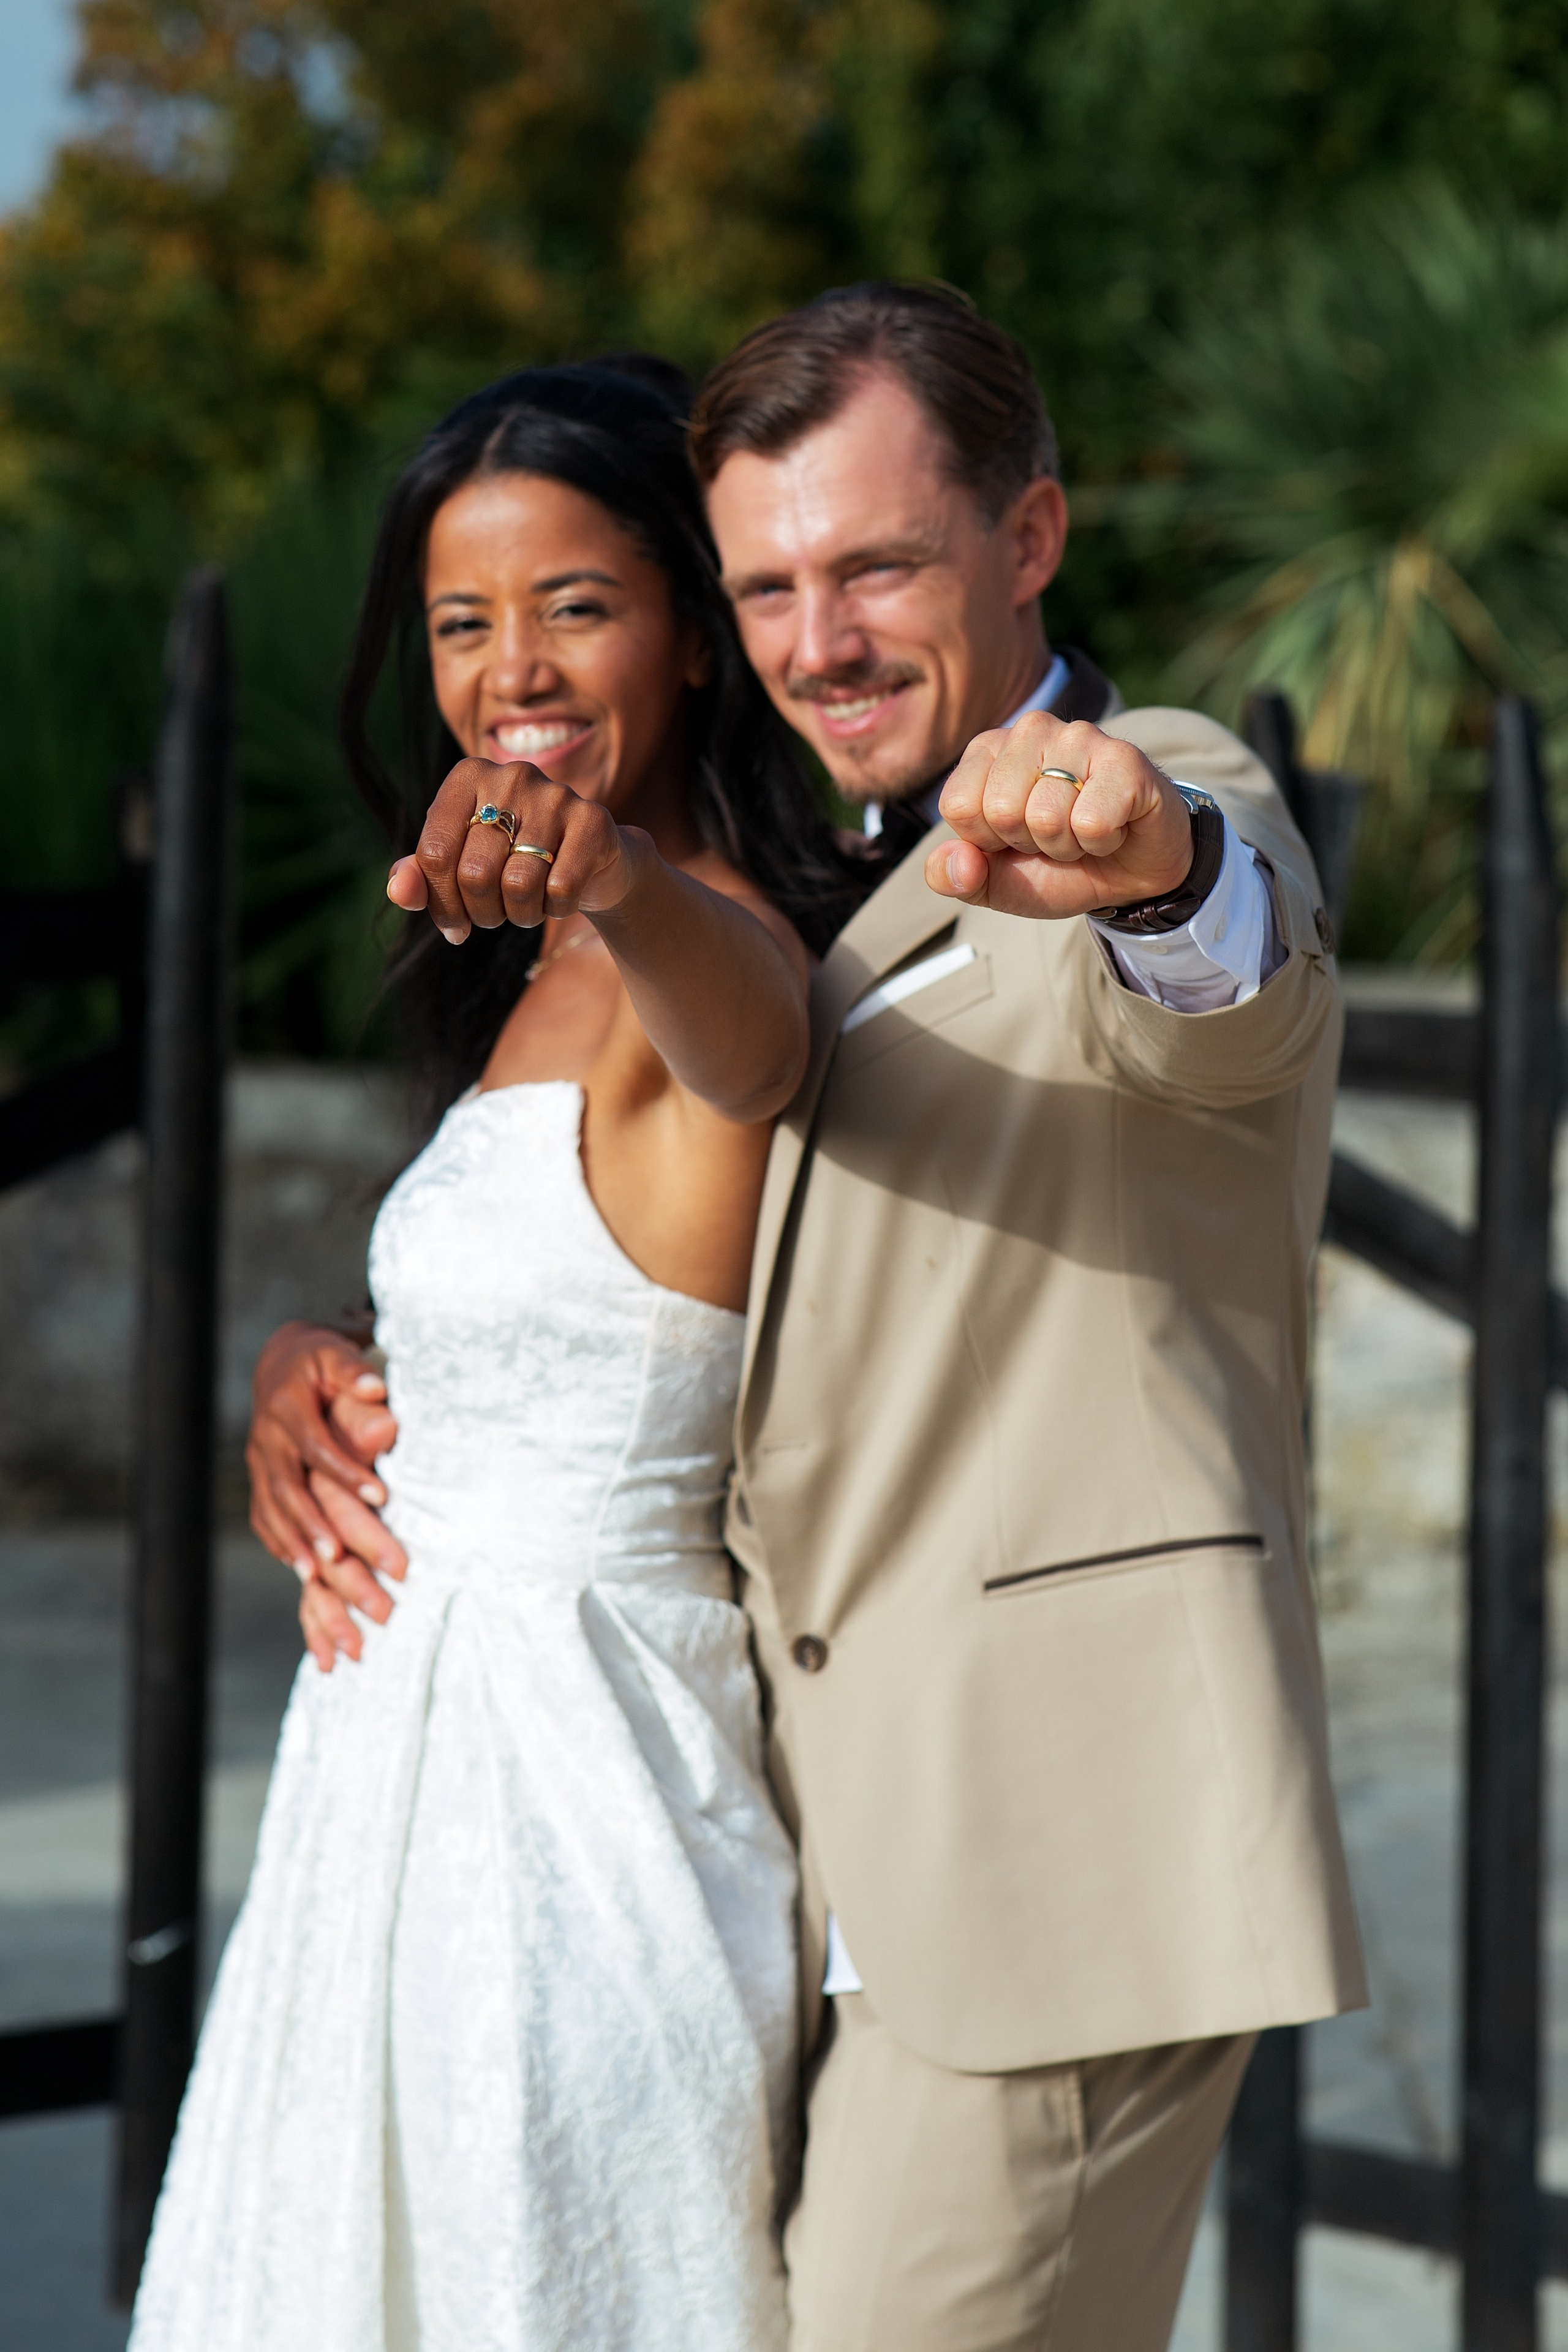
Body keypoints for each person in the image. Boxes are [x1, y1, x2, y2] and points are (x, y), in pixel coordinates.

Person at [251, 286, 1366, 2351]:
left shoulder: (1154, 791)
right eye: (770, 584)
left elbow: (1246, 985)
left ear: (1031, 539)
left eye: (877, 567)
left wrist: (1157, 873)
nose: (819, 636)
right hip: (794, 1861)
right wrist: (342, 1366)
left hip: (1060, 1865)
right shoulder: (839, 884)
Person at [130, 360, 880, 2352]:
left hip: (581, 1814)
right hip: (388, 1793)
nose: (511, 668)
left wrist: (614, 876)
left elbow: (759, 1050)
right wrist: (327, 1362)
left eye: (576, 602)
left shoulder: (704, 934)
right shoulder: (518, 965)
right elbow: (547, 1298)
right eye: (464, 621)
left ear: (696, 640)